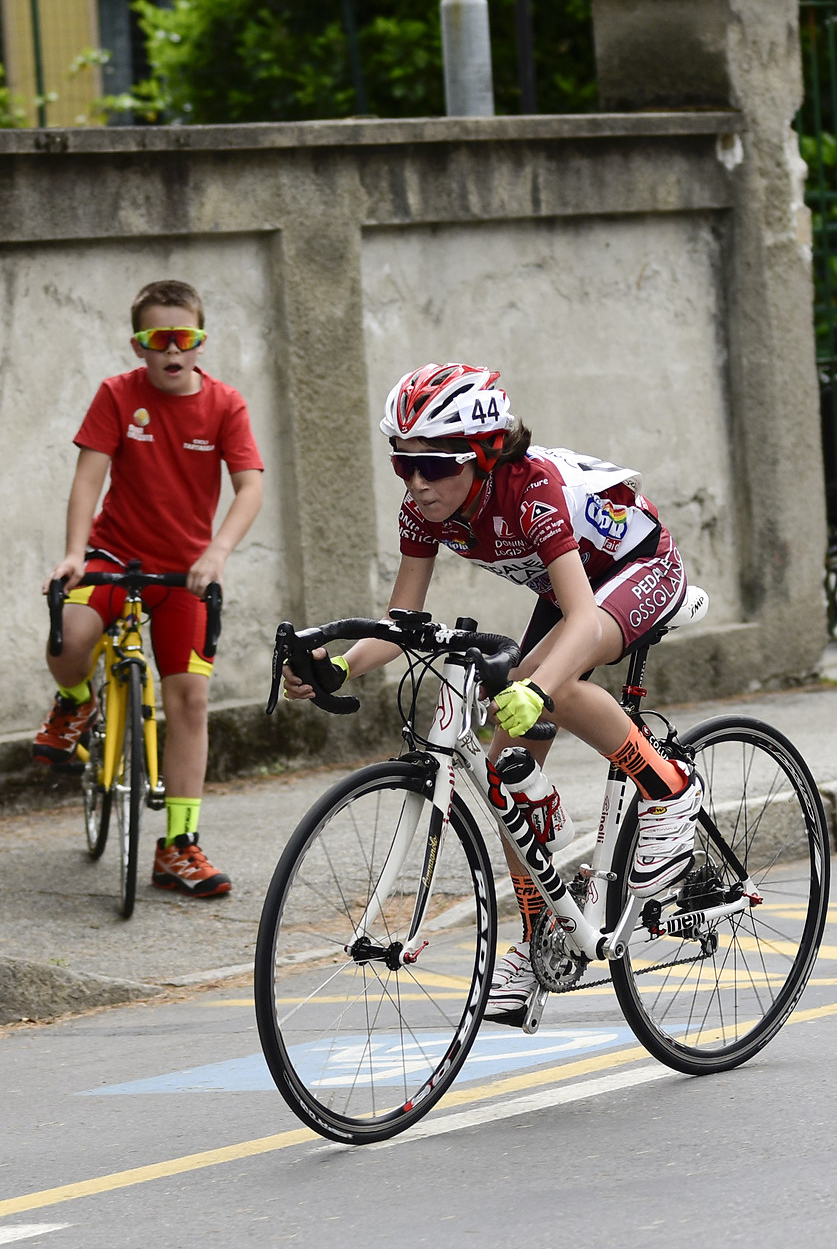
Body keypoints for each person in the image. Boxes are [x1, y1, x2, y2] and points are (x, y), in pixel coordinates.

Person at [282, 362, 703, 1024]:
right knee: (508, 765)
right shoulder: (425, 510)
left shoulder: (529, 490)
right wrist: (338, 668)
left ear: (482, 455)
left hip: (638, 568)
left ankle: (669, 789)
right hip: (572, 595)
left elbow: (584, 617)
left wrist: (538, 686)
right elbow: (404, 624)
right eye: (403, 465)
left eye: (436, 465)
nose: (418, 483)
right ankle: (541, 944)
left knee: (549, 689)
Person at [33, 280, 266, 899]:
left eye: (182, 338)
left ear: (199, 343)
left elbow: (250, 488)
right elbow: (88, 479)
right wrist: (75, 554)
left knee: (188, 699)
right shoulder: (116, 395)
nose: (170, 350)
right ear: (139, 345)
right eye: (156, 339)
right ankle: (76, 701)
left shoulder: (224, 405)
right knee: (68, 639)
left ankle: (179, 845)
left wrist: (217, 553)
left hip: (185, 572)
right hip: (113, 556)